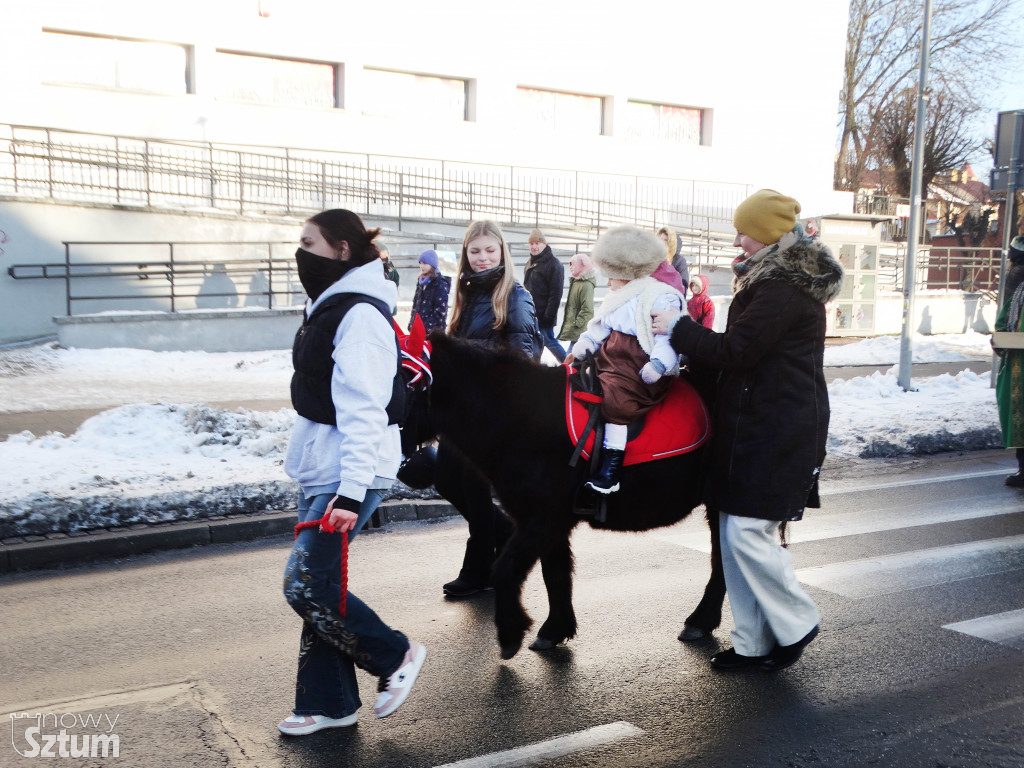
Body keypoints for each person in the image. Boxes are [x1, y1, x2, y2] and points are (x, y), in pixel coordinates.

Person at [652, 188, 844, 672]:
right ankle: (753, 642)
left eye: (746, 231)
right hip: (755, 424)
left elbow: (738, 351)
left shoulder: (782, 288)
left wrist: (679, 328)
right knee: (734, 532)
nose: (738, 239)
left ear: (770, 235)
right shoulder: (769, 280)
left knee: (747, 534)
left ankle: (797, 621)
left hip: (779, 428)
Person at [279, 209, 426, 735]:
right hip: (326, 467)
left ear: (342, 249)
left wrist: (349, 492)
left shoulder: (359, 316)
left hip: (349, 472)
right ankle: (331, 703)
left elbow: (365, 410)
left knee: (306, 584)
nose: (299, 253)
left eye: (308, 244)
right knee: (323, 588)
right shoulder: (332, 304)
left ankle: (395, 654)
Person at [434, 220, 541, 597]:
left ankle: (479, 568)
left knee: (474, 489)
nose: (482, 258)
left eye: (489, 250)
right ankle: (509, 535)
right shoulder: (465, 294)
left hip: (489, 414)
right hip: (460, 411)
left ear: (502, 253)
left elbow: (523, 357)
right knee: (445, 478)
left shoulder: (514, 295)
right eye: (475, 251)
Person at [565, 225, 684, 494]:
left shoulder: (660, 296)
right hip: (609, 359)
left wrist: (658, 364)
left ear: (626, 272)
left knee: (616, 401)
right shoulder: (618, 295)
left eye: (612, 276)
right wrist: (585, 344)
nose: (608, 282)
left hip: (636, 367)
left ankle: (612, 466)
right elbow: (599, 327)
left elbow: (668, 339)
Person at [995, 235, 1024, 486]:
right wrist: (1000, 340)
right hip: (1017, 367)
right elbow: (1004, 322)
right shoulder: (1019, 296)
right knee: (1018, 421)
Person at [523, 228, 567, 362]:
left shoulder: (554, 265)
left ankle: (570, 366)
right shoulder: (530, 263)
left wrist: (549, 315)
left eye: (537, 243)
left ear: (544, 244)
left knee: (549, 340)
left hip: (544, 314)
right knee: (534, 343)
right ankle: (535, 369)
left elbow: (556, 293)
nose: (534, 247)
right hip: (531, 313)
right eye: (531, 244)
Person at [557, 252, 596, 346]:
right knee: (572, 354)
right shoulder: (576, 282)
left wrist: (577, 323)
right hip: (575, 327)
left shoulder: (586, 285)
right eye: (570, 265)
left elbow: (588, 309)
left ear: (582, 265)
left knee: (572, 354)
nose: (570, 267)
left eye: (573, 264)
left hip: (579, 329)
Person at [409, 248, 451, 333]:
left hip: (434, 333)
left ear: (432, 264)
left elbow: (441, 310)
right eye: (420, 263)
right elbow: (415, 304)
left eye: (424, 263)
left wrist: (426, 327)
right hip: (418, 330)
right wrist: (412, 324)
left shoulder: (440, 283)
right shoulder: (421, 282)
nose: (421, 266)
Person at [658, 225, 690, 297]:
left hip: (672, 300)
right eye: (660, 239)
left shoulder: (679, 261)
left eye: (665, 240)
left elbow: (683, 285)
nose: (662, 242)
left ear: (671, 243)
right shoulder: (654, 258)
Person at [379, 243, 400, 315]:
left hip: (389, 304)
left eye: (386, 253)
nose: (385, 255)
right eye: (383, 253)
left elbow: (396, 279)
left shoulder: (389, 266)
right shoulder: (375, 268)